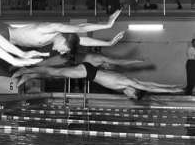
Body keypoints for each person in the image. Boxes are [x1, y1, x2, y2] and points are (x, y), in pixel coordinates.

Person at [13, 64, 183, 100]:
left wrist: (171, 86)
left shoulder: (131, 82)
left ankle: (28, 75)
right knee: (55, 72)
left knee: (57, 74)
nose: (128, 96)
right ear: (134, 90)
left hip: (89, 72)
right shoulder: (128, 83)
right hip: (88, 72)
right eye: (131, 96)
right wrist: (171, 91)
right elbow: (149, 87)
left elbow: (151, 84)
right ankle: (26, 71)